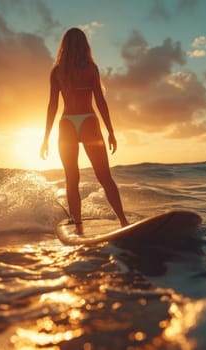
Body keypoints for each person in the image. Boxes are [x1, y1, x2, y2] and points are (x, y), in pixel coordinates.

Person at [40, 27, 129, 234]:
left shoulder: (57, 71)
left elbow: (52, 106)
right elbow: (100, 101)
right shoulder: (91, 68)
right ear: (84, 44)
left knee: (72, 178)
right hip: (89, 122)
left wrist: (45, 138)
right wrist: (110, 131)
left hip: (67, 124)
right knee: (105, 177)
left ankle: (78, 227)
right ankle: (123, 222)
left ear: (64, 46)